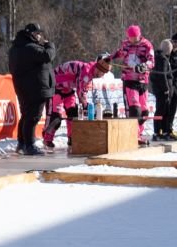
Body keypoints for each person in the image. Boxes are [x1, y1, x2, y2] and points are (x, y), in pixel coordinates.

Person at [42, 54, 111, 149]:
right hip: (55, 87)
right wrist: (86, 106)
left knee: (73, 112)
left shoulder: (90, 72)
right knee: (55, 116)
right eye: (102, 73)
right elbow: (81, 92)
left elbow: (83, 91)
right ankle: (47, 139)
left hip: (68, 88)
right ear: (98, 69)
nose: (102, 76)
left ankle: (72, 138)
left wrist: (86, 105)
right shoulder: (87, 72)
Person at [8, 23, 56, 156]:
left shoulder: (16, 48)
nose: (39, 36)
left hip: (24, 87)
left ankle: (22, 144)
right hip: (35, 87)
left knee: (26, 115)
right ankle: (29, 145)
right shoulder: (30, 48)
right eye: (37, 34)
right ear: (30, 34)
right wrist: (50, 45)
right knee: (33, 117)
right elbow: (47, 56)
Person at [112, 25, 155, 145]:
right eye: (130, 37)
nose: (132, 40)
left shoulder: (147, 45)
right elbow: (119, 53)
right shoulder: (126, 44)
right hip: (129, 80)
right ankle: (134, 135)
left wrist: (144, 66)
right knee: (135, 109)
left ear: (139, 35)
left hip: (142, 80)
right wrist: (109, 58)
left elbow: (152, 61)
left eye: (135, 37)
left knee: (144, 111)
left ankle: (138, 133)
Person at [150, 39, 174, 141]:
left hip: (158, 89)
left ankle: (161, 131)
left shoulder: (157, 57)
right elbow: (163, 75)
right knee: (162, 111)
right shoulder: (163, 59)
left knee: (162, 111)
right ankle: (158, 132)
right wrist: (166, 89)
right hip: (162, 91)